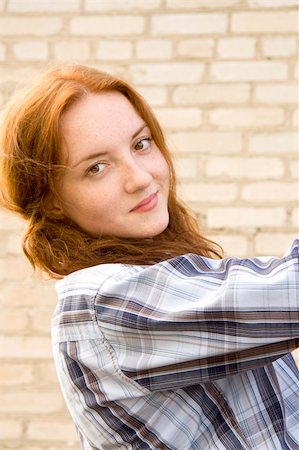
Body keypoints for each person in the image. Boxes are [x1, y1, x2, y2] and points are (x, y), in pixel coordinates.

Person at [0, 64, 298, 450]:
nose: (140, 177)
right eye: (97, 167)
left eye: (141, 144)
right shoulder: (104, 303)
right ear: (53, 202)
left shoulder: (163, 273)